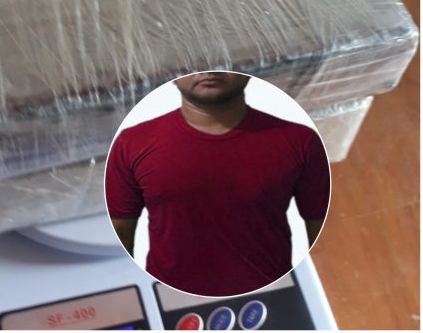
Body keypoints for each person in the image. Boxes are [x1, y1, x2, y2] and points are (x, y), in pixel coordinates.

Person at [105, 72, 330, 296]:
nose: (208, 70)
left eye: (222, 61)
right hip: (168, 297)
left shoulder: (301, 140)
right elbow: (119, 236)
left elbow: (324, 233)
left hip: (275, 294)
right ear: (172, 76)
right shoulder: (131, 143)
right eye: (192, 65)